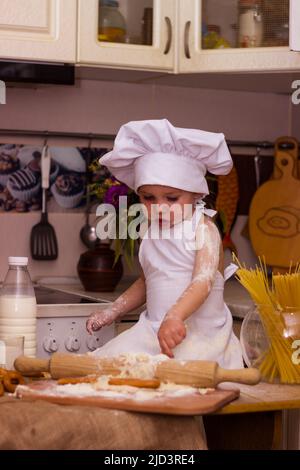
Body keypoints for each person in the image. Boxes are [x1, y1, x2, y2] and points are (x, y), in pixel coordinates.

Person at [86, 119, 243, 368]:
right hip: (153, 331)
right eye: (148, 198)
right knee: (105, 368)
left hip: (200, 337)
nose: (159, 207)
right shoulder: (151, 231)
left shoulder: (203, 229)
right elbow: (148, 281)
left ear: (196, 194)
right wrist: (113, 311)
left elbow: (203, 281)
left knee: (187, 386)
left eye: (171, 198)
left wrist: (175, 316)